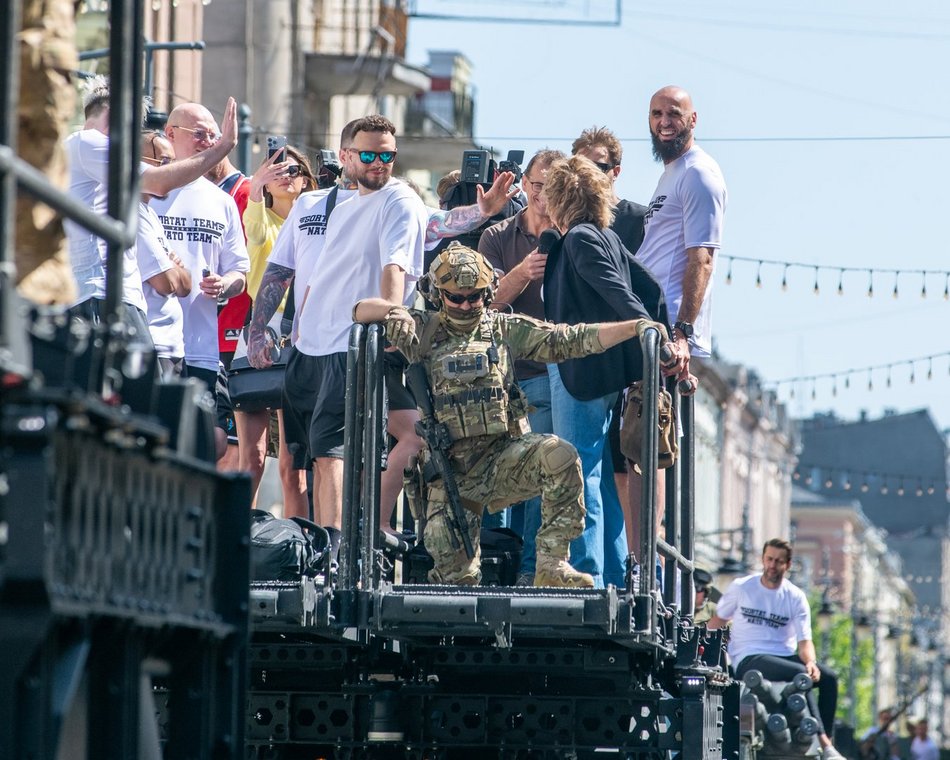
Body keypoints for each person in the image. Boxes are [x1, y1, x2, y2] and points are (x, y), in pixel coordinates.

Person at [248, 118, 518, 543]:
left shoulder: (399, 198)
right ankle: (327, 543)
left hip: (352, 344)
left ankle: (340, 545)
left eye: (388, 155)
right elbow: (281, 269)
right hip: (307, 346)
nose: (379, 164)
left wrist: (392, 318)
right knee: (312, 459)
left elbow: (398, 263)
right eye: (369, 155)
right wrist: (258, 327)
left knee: (337, 453)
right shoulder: (324, 204)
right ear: (344, 157)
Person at [353, 243, 671, 587]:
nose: (465, 305)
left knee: (560, 457)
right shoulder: (422, 329)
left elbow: (570, 339)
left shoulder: (503, 328)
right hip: (448, 472)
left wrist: (634, 327)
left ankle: (551, 564)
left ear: (487, 293)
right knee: (455, 580)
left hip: (503, 459)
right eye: (455, 298)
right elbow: (358, 310)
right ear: (437, 295)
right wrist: (392, 311)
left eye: (474, 297)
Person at [541, 154, 669, 589]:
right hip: (603, 372)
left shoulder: (579, 238)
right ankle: (611, 575)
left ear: (559, 199)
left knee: (579, 473)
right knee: (595, 473)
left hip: (580, 368)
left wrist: (649, 331)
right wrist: (656, 333)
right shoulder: (604, 236)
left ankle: (589, 576)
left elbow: (619, 292)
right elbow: (649, 285)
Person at [477, 148, 564, 584]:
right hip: (499, 380)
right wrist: (523, 273)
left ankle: (529, 571)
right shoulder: (497, 236)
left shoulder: (574, 237)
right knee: (491, 475)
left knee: (536, 476)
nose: (544, 197)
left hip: (547, 376)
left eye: (554, 188)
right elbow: (483, 304)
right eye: (538, 186)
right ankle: (491, 567)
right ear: (524, 185)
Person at [152, 99, 250, 460]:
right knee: (159, 438)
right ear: (170, 134)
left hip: (202, 345)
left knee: (213, 442)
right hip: (156, 340)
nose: (207, 141)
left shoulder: (220, 201)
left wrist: (226, 284)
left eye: (213, 135)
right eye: (199, 133)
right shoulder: (150, 191)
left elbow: (240, 271)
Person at [572, 126, 649, 526]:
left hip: (621, 352)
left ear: (614, 172)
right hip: (579, 352)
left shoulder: (635, 218)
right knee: (586, 464)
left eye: (597, 166)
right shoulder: (564, 217)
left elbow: (639, 287)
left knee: (622, 465)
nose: (588, 174)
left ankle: (631, 565)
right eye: (580, 165)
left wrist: (651, 331)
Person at [708, 538, 843, 760]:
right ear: (763, 559)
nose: (772, 565)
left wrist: (810, 662)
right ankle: (824, 743)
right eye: (769, 559)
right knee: (799, 674)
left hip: (784, 657)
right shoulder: (742, 587)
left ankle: (827, 740)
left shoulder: (795, 597)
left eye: (778, 561)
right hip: (749, 657)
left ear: (787, 565)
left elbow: (804, 641)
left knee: (828, 678)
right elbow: (718, 620)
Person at [235, 146, 315, 516]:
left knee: (293, 467)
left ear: (307, 179)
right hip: (259, 333)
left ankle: (298, 550)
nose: (286, 175)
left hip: (303, 336)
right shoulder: (259, 217)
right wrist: (255, 187)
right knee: (249, 459)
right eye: (277, 169)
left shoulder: (316, 221)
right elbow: (251, 234)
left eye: (295, 169)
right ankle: (240, 543)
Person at [137, 131, 193, 378]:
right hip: (152, 346)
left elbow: (186, 285)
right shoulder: (133, 213)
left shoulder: (150, 214)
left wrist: (176, 271)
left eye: (173, 162)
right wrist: (174, 269)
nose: (170, 171)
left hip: (172, 347)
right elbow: (168, 282)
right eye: (164, 162)